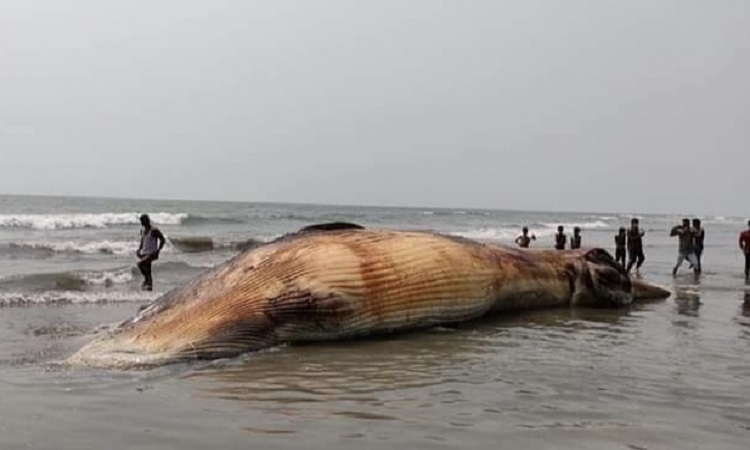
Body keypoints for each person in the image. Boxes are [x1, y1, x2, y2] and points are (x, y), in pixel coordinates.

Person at [136, 213, 166, 291]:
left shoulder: (154, 230)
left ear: (147, 220)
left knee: (140, 264)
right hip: (144, 253)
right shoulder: (142, 231)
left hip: (152, 253)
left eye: (143, 221)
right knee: (148, 271)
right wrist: (139, 250)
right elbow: (142, 241)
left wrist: (158, 250)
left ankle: (147, 280)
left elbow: (163, 240)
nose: (142, 223)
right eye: (141, 221)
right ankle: (149, 289)